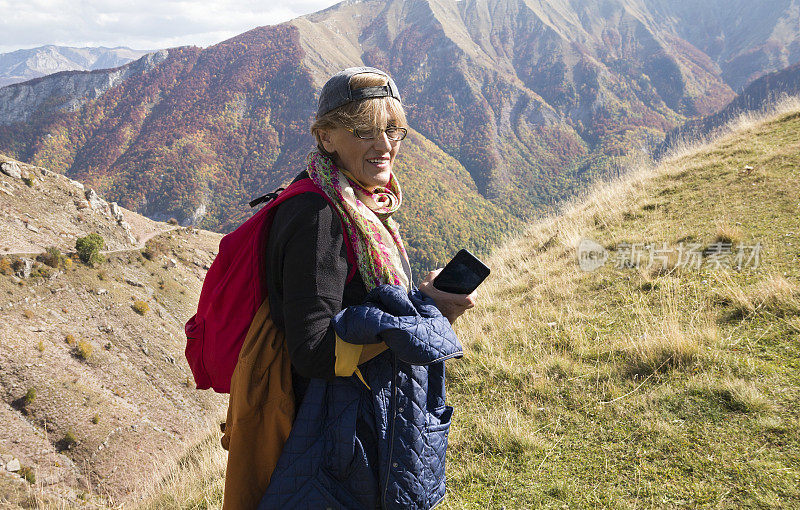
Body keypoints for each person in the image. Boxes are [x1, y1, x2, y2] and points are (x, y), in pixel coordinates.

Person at [259, 66, 476, 509]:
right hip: (342, 442)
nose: (385, 146)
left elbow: (361, 304)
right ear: (326, 137)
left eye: (394, 130)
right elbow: (314, 349)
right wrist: (421, 315)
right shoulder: (318, 217)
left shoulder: (358, 203)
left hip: (370, 420)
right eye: (364, 131)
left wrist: (427, 308)